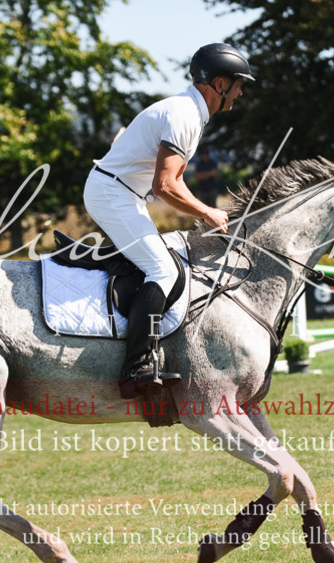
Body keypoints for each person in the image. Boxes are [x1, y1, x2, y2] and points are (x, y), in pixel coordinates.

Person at [83, 43, 253, 399]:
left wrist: (201, 207)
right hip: (113, 194)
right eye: (238, 84)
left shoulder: (187, 110)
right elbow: (164, 185)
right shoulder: (185, 115)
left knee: (166, 262)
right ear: (219, 84)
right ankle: (135, 369)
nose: (240, 92)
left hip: (122, 192)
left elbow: (168, 179)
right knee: (164, 270)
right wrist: (207, 211)